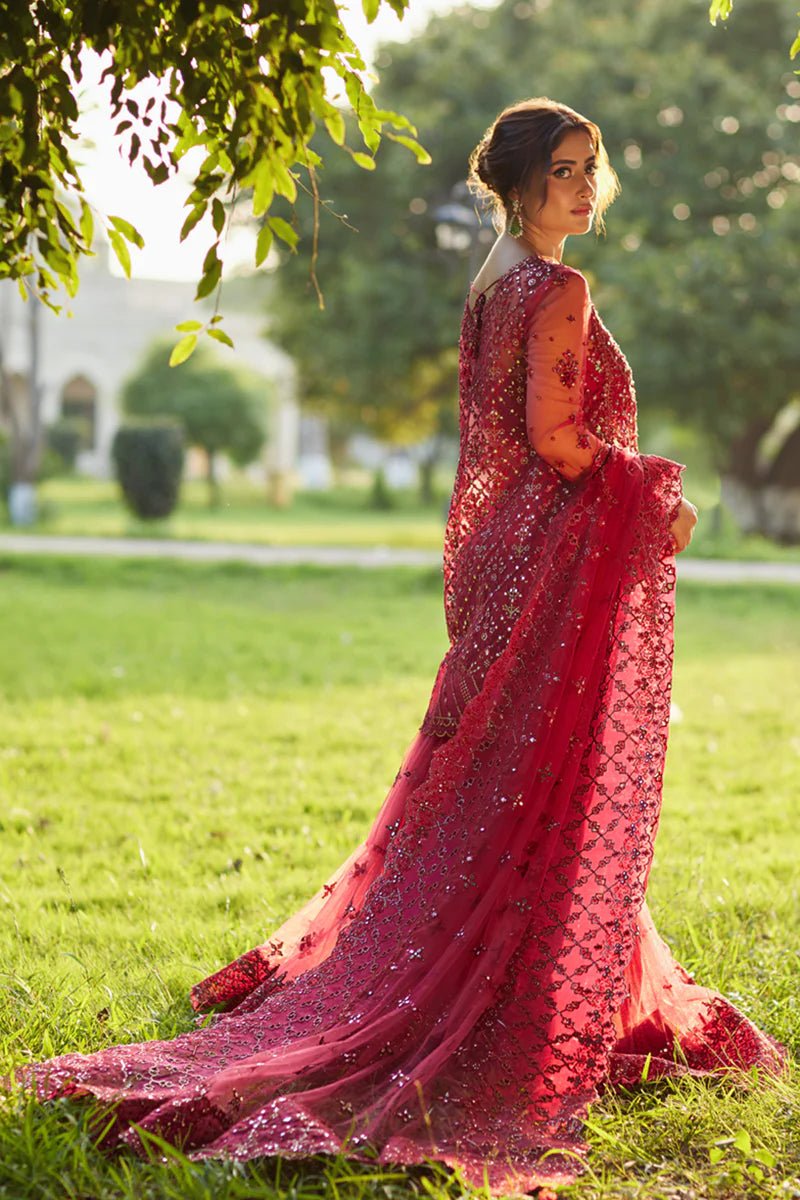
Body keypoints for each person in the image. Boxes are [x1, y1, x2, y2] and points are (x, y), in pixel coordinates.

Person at [7, 97, 789, 1197]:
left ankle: (553, 975)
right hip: (548, 566)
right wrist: (657, 494)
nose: (582, 186)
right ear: (518, 183)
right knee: (538, 784)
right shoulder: (554, 289)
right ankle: (514, 996)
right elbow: (556, 440)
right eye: (563, 169)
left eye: (590, 166)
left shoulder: (492, 282)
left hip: (510, 559)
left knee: (496, 785)